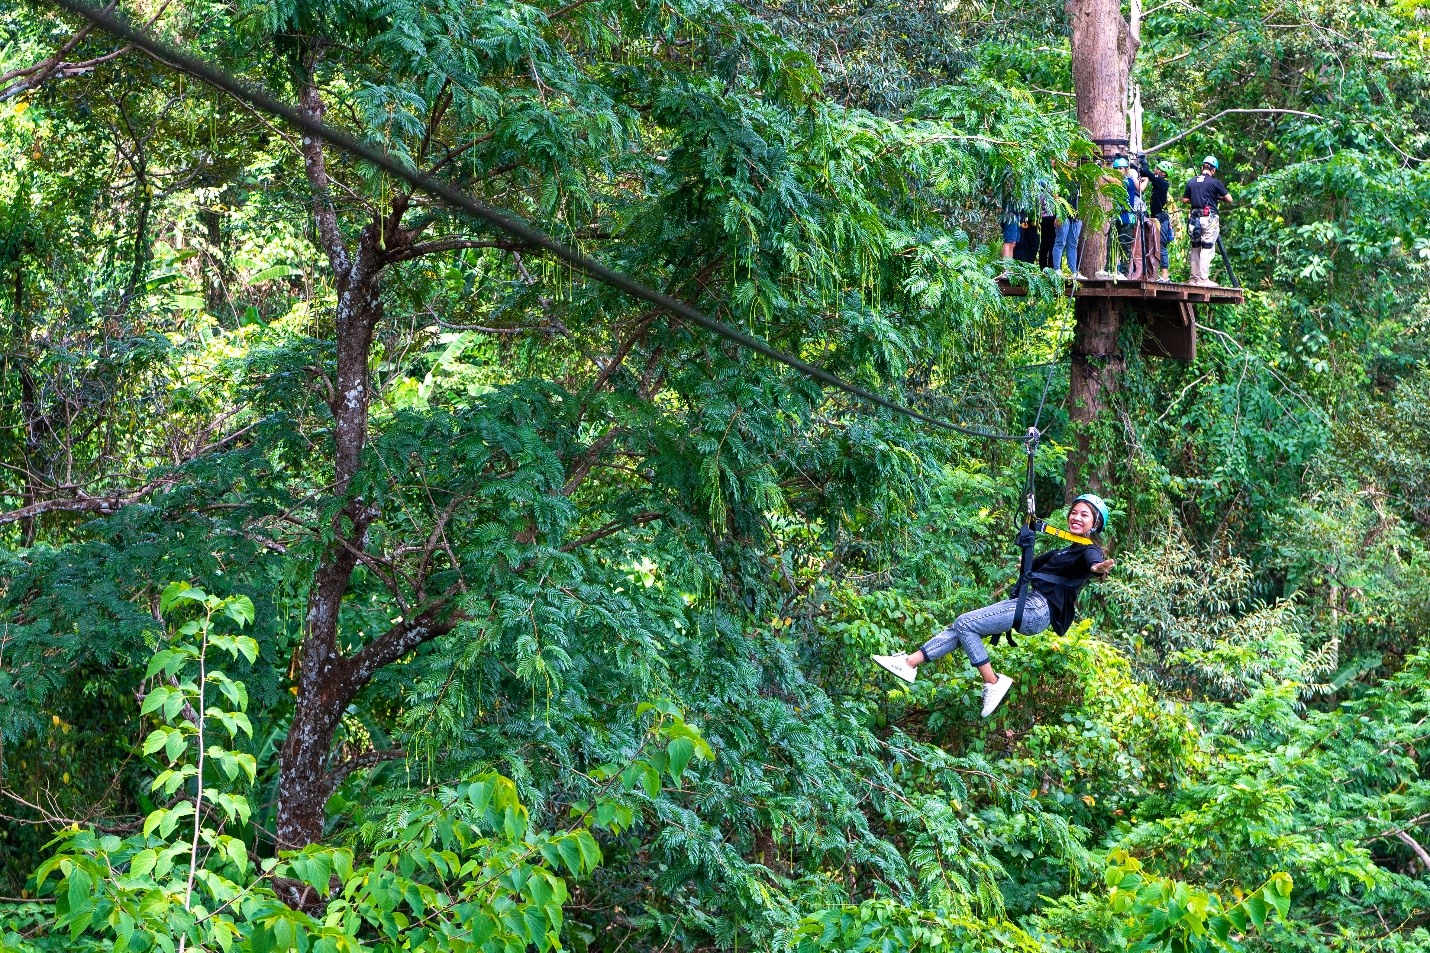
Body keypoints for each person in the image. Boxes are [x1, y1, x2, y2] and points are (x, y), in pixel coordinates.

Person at [871, 495, 1116, 718]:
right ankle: (908, 664)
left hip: (1037, 609)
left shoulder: (1089, 551)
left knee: (965, 623)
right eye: (1075, 512)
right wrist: (1027, 547)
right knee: (962, 629)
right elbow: (1027, 565)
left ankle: (993, 681)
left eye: (1084, 515)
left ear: (1095, 524)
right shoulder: (1064, 549)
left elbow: (1093, 564)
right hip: (1030, 605)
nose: (1076, 517)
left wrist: (1098, 568)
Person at [1182, 156, 1232, 285]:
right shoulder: (1215, 183)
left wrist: (1196, 198)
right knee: (1207, 247)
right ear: (1213, 169)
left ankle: (1194, 279)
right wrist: (1217, 197)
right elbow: (1229, 199)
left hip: (1194, 218)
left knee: (1195, 247)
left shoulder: (1191, 181)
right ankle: (1203, 279)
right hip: (1209, 217)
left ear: (1203, 167)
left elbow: (1185, 200)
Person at [1144, 159, 1175, 281]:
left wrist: (1144, 162)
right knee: (1153, 246)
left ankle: (1165, 276)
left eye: (1158, 169)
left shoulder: (1162, 183)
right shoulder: (1158, 182)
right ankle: (1153, 273)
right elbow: (1144, 172)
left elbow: (1146, 171)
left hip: (1162, 220)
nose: (1155, 170)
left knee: (1161, 247)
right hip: (1157, 218)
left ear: (1163, 173)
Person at [1051, 167, 1083, 278]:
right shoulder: (1060, 176)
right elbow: (1056, 196)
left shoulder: (1079, 177)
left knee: (1073, 244)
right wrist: (1058, 214)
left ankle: (1073, 271)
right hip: (1063, 215)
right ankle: (1057, 269)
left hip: (1076, 216)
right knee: (1060, 242)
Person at [1113, 157, 1140, 275]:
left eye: (1120, 169)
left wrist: (1102, 172)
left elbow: (1115, 181)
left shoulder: (1128, 181)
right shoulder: (1115, 181)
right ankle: (1110, 269)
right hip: (1117, 217)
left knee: (1125, 245)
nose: (1118, 171)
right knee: (1112, 243)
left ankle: (1124, 272)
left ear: (1125, 170)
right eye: (1116, 169)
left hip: (1127, 218)